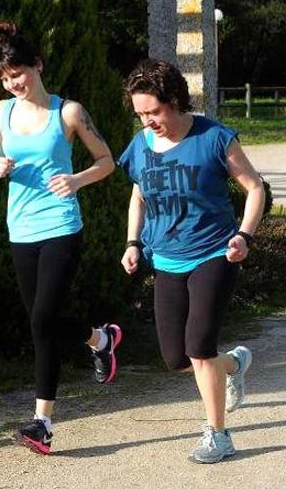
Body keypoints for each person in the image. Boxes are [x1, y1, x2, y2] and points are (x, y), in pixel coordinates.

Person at [0, 22, 120, 455]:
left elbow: (107, 161)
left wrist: (77, 179)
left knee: (43, 319)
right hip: (20, 228)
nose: (13, 84)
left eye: (18, 74)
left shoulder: (69, 113)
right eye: (6, 79)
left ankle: (42, 423)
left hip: (62, 226)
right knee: (40, 321)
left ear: (38, 65)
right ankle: (100, 339)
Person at [118, 59, 265, 464]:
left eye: (154, 112)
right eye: (141, 114)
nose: (148, 121)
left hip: (215, 251)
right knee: (175, 359)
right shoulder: (141, 146)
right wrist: (133, 242)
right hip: (165, 256)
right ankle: (234, 364)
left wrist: (243, 235)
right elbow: (139, 196)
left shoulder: (214, 138)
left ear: (176, 101)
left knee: (199, 347)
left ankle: (219, 434)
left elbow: (255, 188)